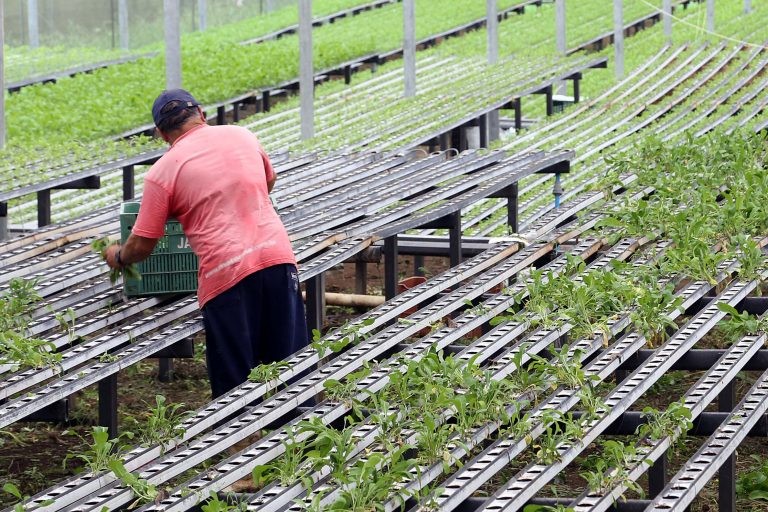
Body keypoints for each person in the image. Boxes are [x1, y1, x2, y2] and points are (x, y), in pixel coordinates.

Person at [105, 89, 309, 399]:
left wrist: (119, 255)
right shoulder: (242, 135)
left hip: (226, 274)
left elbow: (144, 242)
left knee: (235, 385)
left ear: (161, 134)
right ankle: (300, 425)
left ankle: (239, 428)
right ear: (201, 113)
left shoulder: (163, 172)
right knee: (291, 369)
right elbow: (267, 181)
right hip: (277, 258)